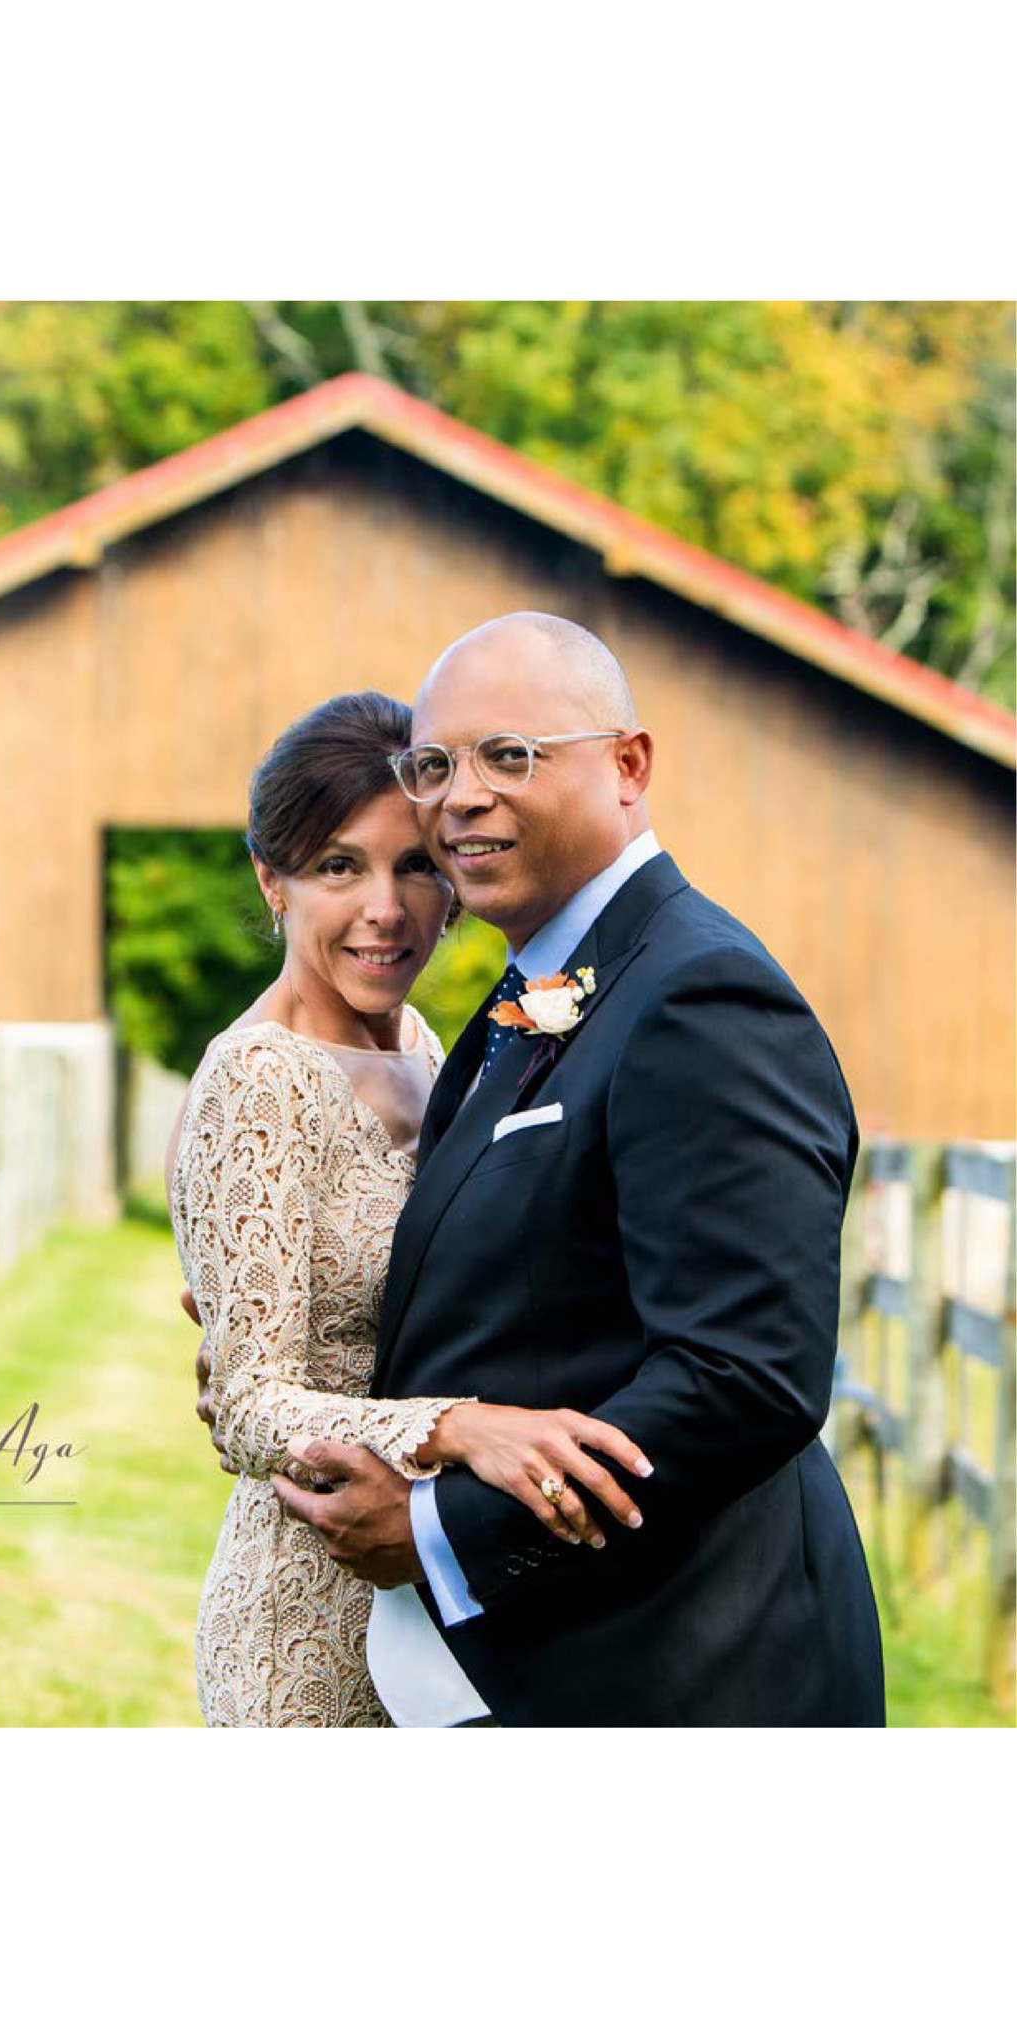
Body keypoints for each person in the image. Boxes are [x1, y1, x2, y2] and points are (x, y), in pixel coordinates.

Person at [207, 613, 885, 1727]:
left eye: (510, 755)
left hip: (690, 1669)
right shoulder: (529, 996)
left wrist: (438, 1530)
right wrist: (299, 1361)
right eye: (437, 765)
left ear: (629, 765)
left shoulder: (700, 994)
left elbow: (745, 1372)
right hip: (541, 1666)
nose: (462, 796)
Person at [168, 689, 650, 1727]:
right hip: (309, 1614)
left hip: (448, 1608)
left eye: (417, 866)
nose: (385, 909)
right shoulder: (259, 1078)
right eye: (339, 866)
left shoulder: (429, 1046)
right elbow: (249, 1407)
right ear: (272, 880)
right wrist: (463, 1429)